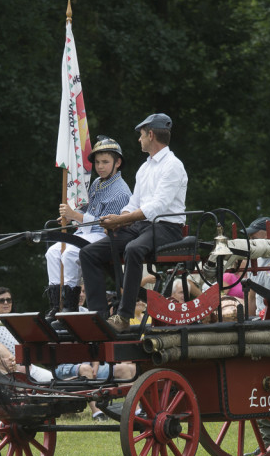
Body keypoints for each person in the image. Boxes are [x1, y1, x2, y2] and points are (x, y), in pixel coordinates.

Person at [79, 113, 188, 332]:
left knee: (133, 249)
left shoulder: (173, 165)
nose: (139, 140)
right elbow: (134, 202)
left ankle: (124, 316)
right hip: (142, 225)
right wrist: (116, 221)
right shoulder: (144, 168)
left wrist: (122, 219)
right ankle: (99, 317)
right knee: (88, 253)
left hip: (167, 227)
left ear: (150, 134)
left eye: (141, 135)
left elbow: (157, 207)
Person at [49, 136, 132, 314]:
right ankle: (56, 306)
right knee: (53, 252)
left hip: (105, 236)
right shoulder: (96, 183)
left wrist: (76, 215)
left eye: (105, 162)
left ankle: (70, 308)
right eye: (97, 162)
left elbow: (105, 223)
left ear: (117, 163)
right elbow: (87, 208)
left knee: (70, 253)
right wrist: (70, 218)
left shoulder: (121, 192)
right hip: (85, 233)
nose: (100, 166)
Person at [0, 287, 52, 382]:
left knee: (52, 379)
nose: (6, 303)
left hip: (26, 366)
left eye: (9, 300)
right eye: (1, 300)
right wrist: (10, 363)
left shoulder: (15, 322)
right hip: (3, 369)